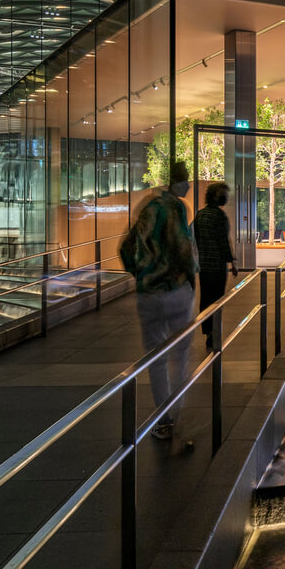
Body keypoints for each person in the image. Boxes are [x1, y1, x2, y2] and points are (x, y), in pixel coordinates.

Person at [120, 160, 198, 445]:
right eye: (186, 179)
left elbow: (125, 248)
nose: (188, 185)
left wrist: (141, 275)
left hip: (148, 294)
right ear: (176, 182)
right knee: (181, 355)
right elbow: (182, 247)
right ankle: (177, 415)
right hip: (175, 290)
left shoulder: (147, 208)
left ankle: (163, 420)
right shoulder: (176, 208)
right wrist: (190, 279)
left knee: (155, 357)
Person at [193, 181, 237, 349]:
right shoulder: (219, 216)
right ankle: (214, 332)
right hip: (217, 266)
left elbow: (197, 239)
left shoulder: (200, 215)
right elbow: (223, 241)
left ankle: (208, 331)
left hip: (204, 265)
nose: (225, 197)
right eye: (223, 194)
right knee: (217, 300)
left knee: (205, 299)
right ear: (215, 196)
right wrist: (232, 261)